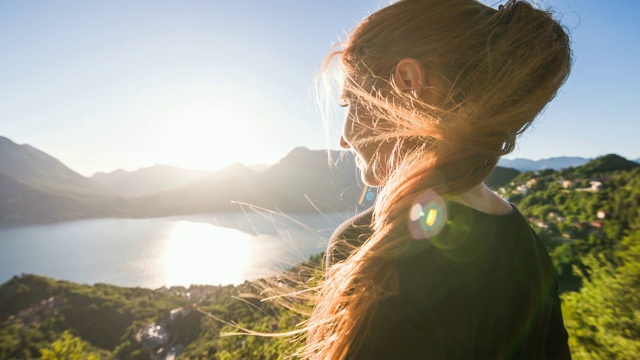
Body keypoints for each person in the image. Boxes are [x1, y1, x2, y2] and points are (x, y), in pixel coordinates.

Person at [303, 0, 573, 358]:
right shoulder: (529, 249)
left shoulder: (370, 246)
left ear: (408, 83)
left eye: (350, 103)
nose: (343, 138)